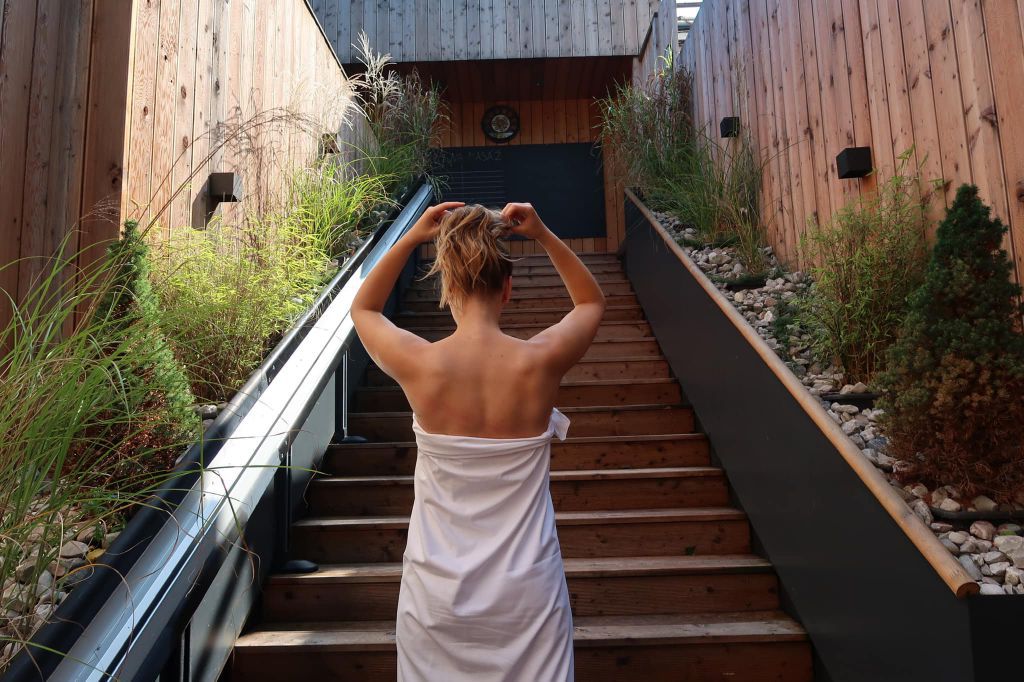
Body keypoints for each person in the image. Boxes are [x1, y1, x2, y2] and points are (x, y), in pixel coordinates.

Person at [351, 201, 606, 681]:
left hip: (437, 591)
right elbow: (590, 303)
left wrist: (412, 238)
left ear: (447, 287)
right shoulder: (538, 362)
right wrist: (543, 234)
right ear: (508, 288)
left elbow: (364, 307)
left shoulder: (420, 364)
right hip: (528, 591)